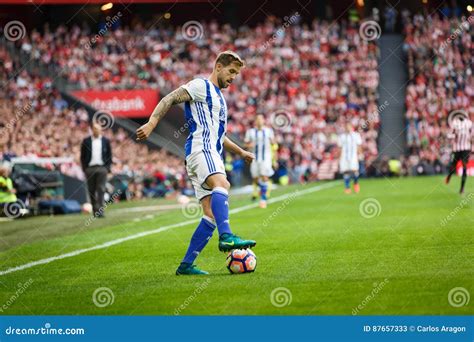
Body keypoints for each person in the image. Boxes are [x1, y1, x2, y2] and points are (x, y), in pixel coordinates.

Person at [136, 51, 256, 275]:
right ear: (218, 67)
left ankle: (186, 265)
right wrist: (152, 123)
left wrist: (241, 152)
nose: (233, 77)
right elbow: (169, 98)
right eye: (231, 72)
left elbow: (220, 135)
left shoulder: (219, 98)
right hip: (203, 149)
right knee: (223, 184)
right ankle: (227, 236)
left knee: (210, 214)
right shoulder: (201, 85)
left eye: (236, 74)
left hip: (205, 153)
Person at [80, 121, 112, 217]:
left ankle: (100, 211)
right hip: (90, 168)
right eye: (94, 128)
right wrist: (85, 168)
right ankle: (95, 210)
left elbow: (109, 156)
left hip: (102, 168)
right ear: (92, 130)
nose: (96, 130)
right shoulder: (86, 141)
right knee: (91, 190)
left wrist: (107, 168)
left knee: (101, 189)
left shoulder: (106, 141)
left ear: (101, 130)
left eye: (98, 129)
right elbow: (82, 156)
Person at [245, 114, 276, 208]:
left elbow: (274, 144)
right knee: (255, 178)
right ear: (255, 121)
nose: (259, 121)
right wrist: (249, 146)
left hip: (265, 157)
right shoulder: (250, 132)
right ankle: (261, 189)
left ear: (263, 121)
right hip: (254, 158)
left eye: (261, 119)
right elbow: (245, 144)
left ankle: (263, 199)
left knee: (264, 176)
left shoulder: (268, 131)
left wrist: (274, 159)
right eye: (257, 119)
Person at [445, 115, 472, 194]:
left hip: (466, 148)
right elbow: (449, 135)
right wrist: (454, 136)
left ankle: (462, 188)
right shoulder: (455, 123)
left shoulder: (469, 123)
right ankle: (449, 177)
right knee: (453, 166)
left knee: (464, 166)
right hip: (456, 148)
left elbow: (472, 134)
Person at [338, 123, 362, 194]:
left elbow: (359, 145)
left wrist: (360, 154)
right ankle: (347, 188)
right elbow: (340, 147)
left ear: (351, 127)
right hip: (344, 157)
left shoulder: (356, 135)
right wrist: (339, 157)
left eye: (349, 126)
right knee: (346, 171)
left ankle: (356, 183)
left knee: (355, 171)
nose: (347, 128)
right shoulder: (342, 136)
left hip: (353, 156)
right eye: (346, 127)